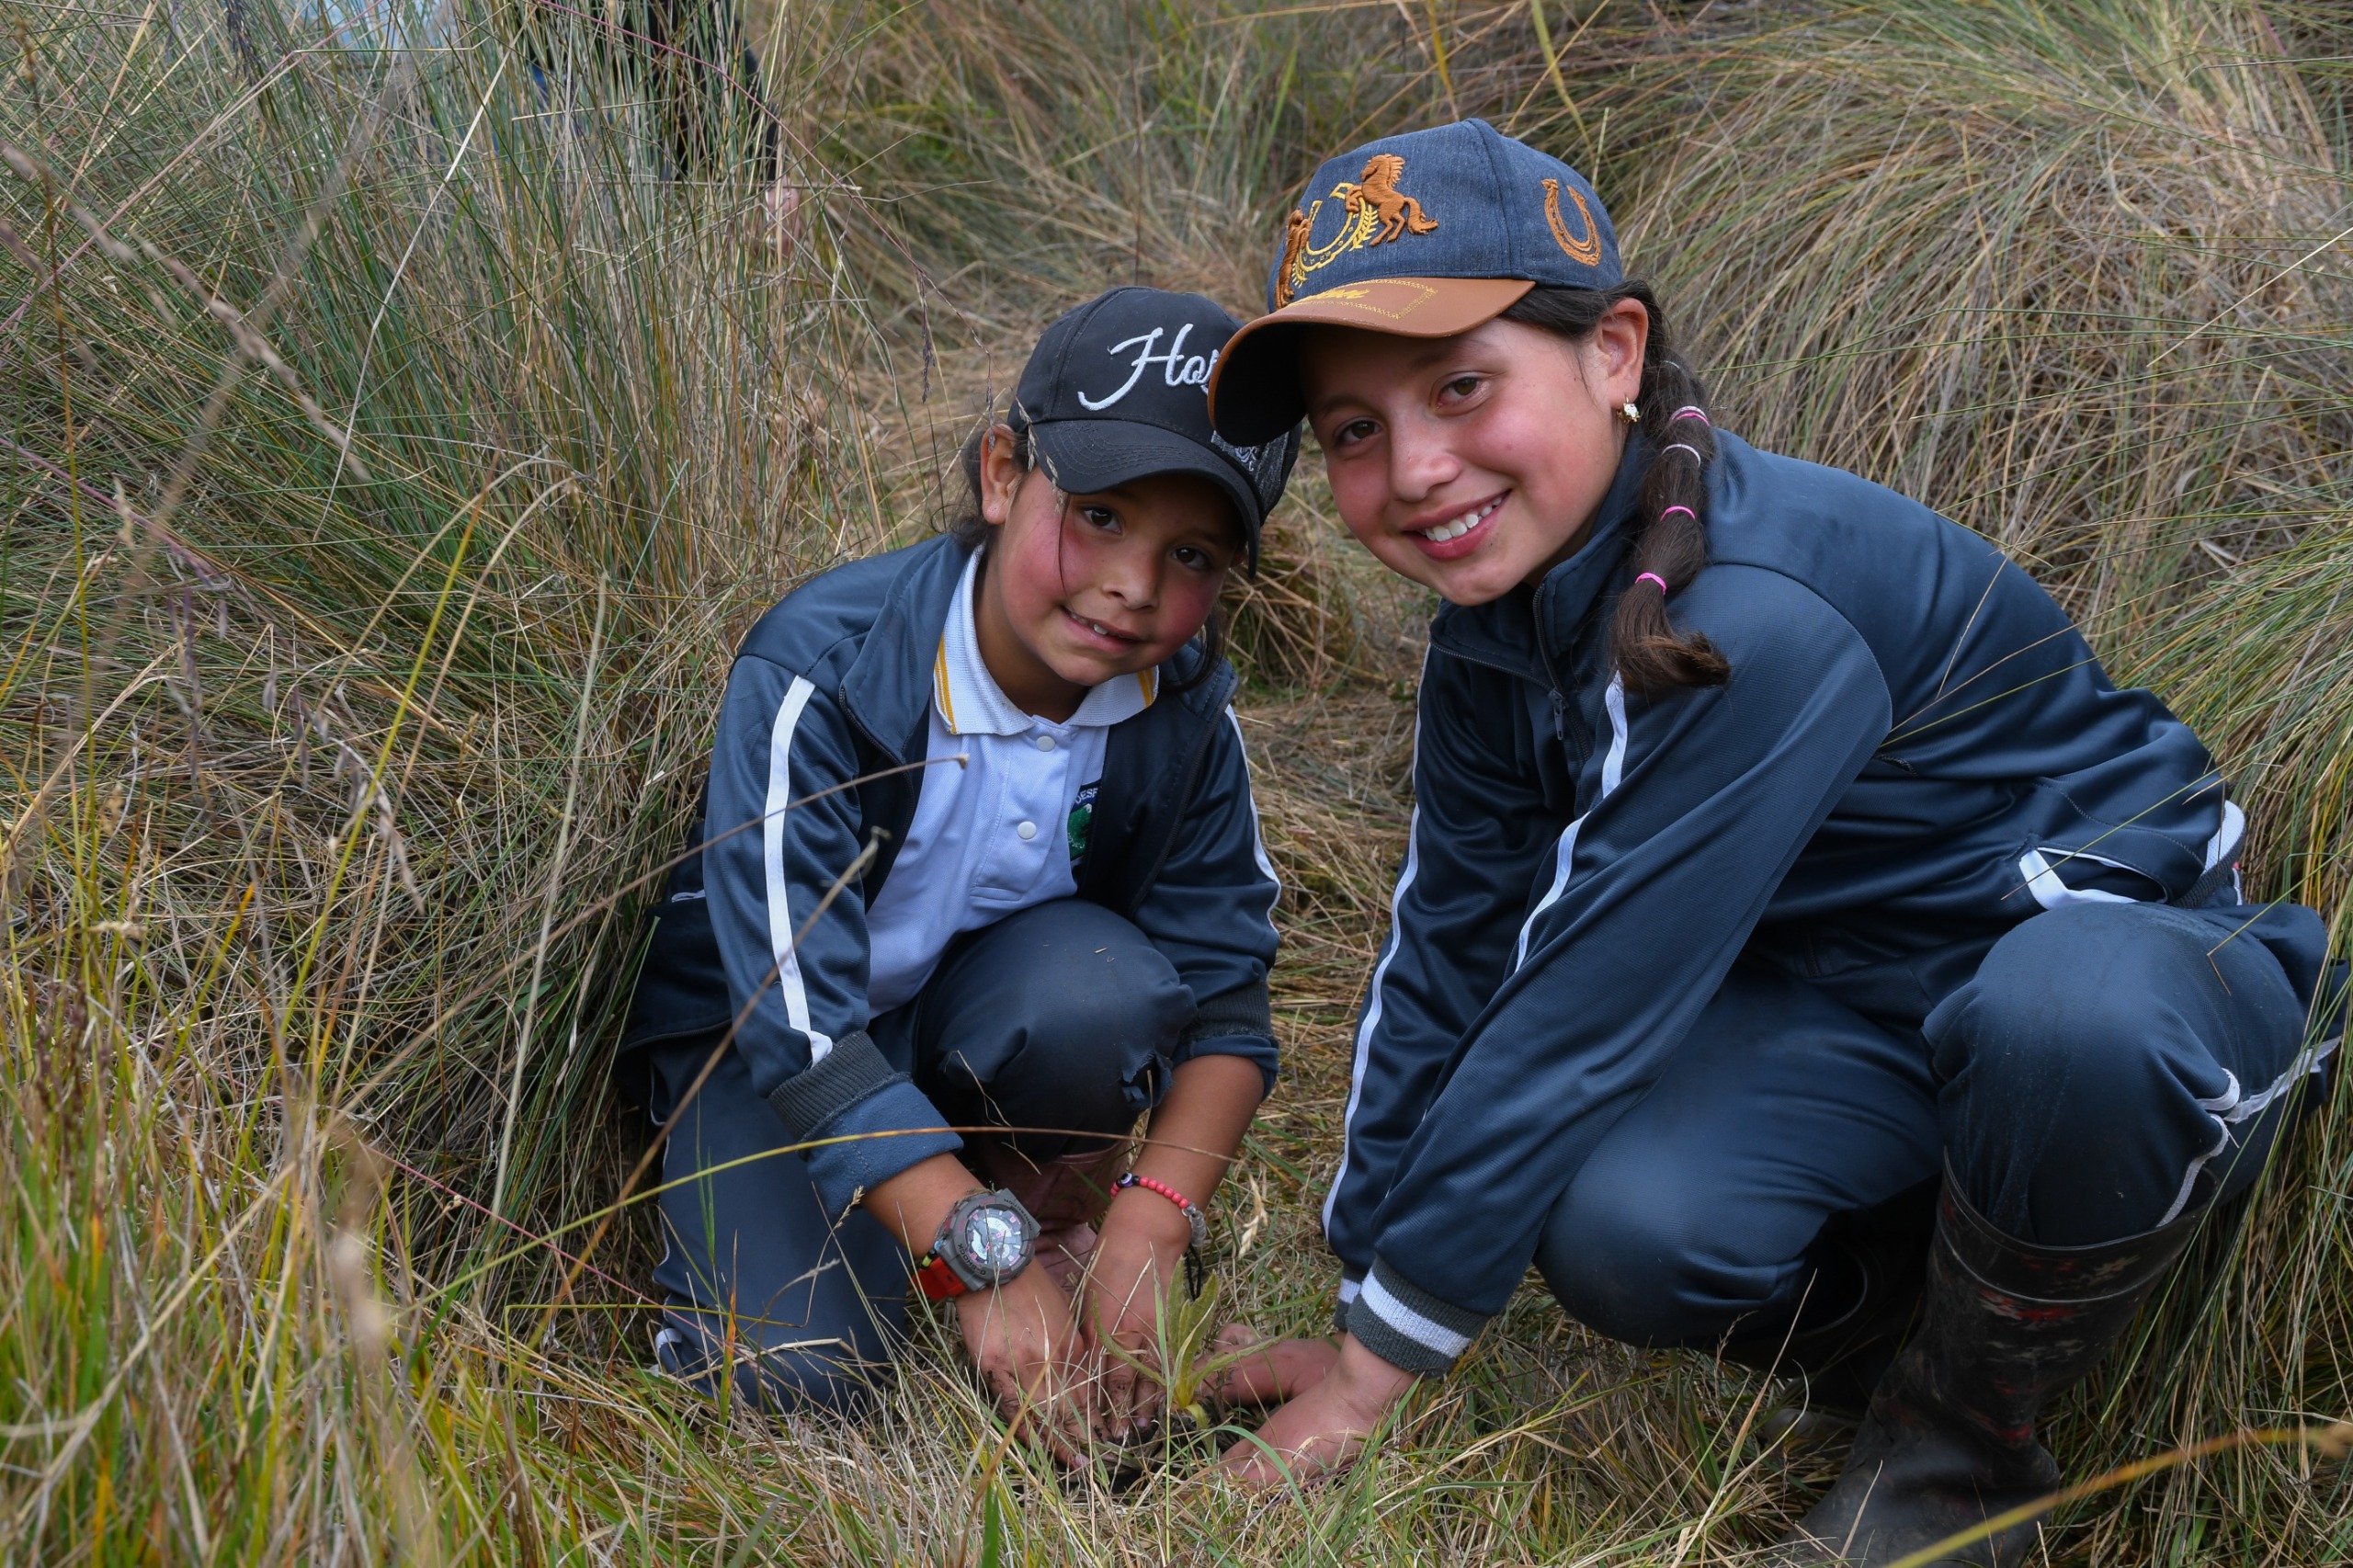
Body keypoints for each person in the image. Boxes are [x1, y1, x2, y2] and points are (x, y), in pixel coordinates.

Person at [1201, 119, 2342, 1563]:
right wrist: (1366, 1280)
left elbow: (1584, 1012)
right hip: (1862, 998)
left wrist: (1371, 1384)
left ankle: (1962, 1457)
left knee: (2067, 1020)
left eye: (1462, 385)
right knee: (1630, 1226)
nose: (1414, 466)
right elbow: (1454, 945)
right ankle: (1917, 1331)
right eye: (1353, 431)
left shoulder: (1753, 614)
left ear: (1614, 352)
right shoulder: (1495, 634)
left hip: (2148, 986)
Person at [616, 286, 1306, 1450]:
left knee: (1104, 991)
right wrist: (978, 1264)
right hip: (775, 1051)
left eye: (1188, 552)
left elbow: (1227, 1007)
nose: (1132, 583)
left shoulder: (1181, 714)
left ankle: (1058, 1235)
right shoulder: (824, 674)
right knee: (807, 1377)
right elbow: (800, 1029)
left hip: (978, 1021)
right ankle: (974, 1246)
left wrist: (1152, 1221)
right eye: (1095, 515)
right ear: (1001, 475)